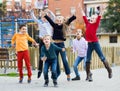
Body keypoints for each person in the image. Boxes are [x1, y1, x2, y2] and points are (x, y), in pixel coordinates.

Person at [79, 3, 112, 82]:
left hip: (95, 43)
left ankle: (109, 70)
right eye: (91, 17)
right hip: (89, 44)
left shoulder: (96, 24)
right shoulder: (87, 24)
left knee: (102, 57)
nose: (92, 18)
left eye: (94, 18)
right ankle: (88, 75)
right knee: (88, 59)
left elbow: (100, 15)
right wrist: (80, 9)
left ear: (96, 20)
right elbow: (84, 16)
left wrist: (102, 10)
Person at [42, 11, 76, 81]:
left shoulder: (64, 25)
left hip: (61, 44)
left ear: (62, 21)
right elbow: (50, 20)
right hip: (54, 44)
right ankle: (57, 73)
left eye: (60, 20)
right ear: (56, 21)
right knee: (55, 59)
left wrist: (73, 16)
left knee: (64, 60)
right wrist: (45, 15)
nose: (59, 22)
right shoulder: (54, 25)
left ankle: (68, 73)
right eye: (58, 20)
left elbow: (69, 20)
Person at [30, 8, 55, 78]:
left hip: (49, 41)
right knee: (41, 55)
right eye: (42, 17)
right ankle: (40, 70)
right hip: (42, 40)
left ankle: (51, 69)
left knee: (50, 55)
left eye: (45, 17)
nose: (44, 18)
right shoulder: (40, 22)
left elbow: (54, 17)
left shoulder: (50, 23)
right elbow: (33, 18)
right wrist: (32, 11)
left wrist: (49, 11)